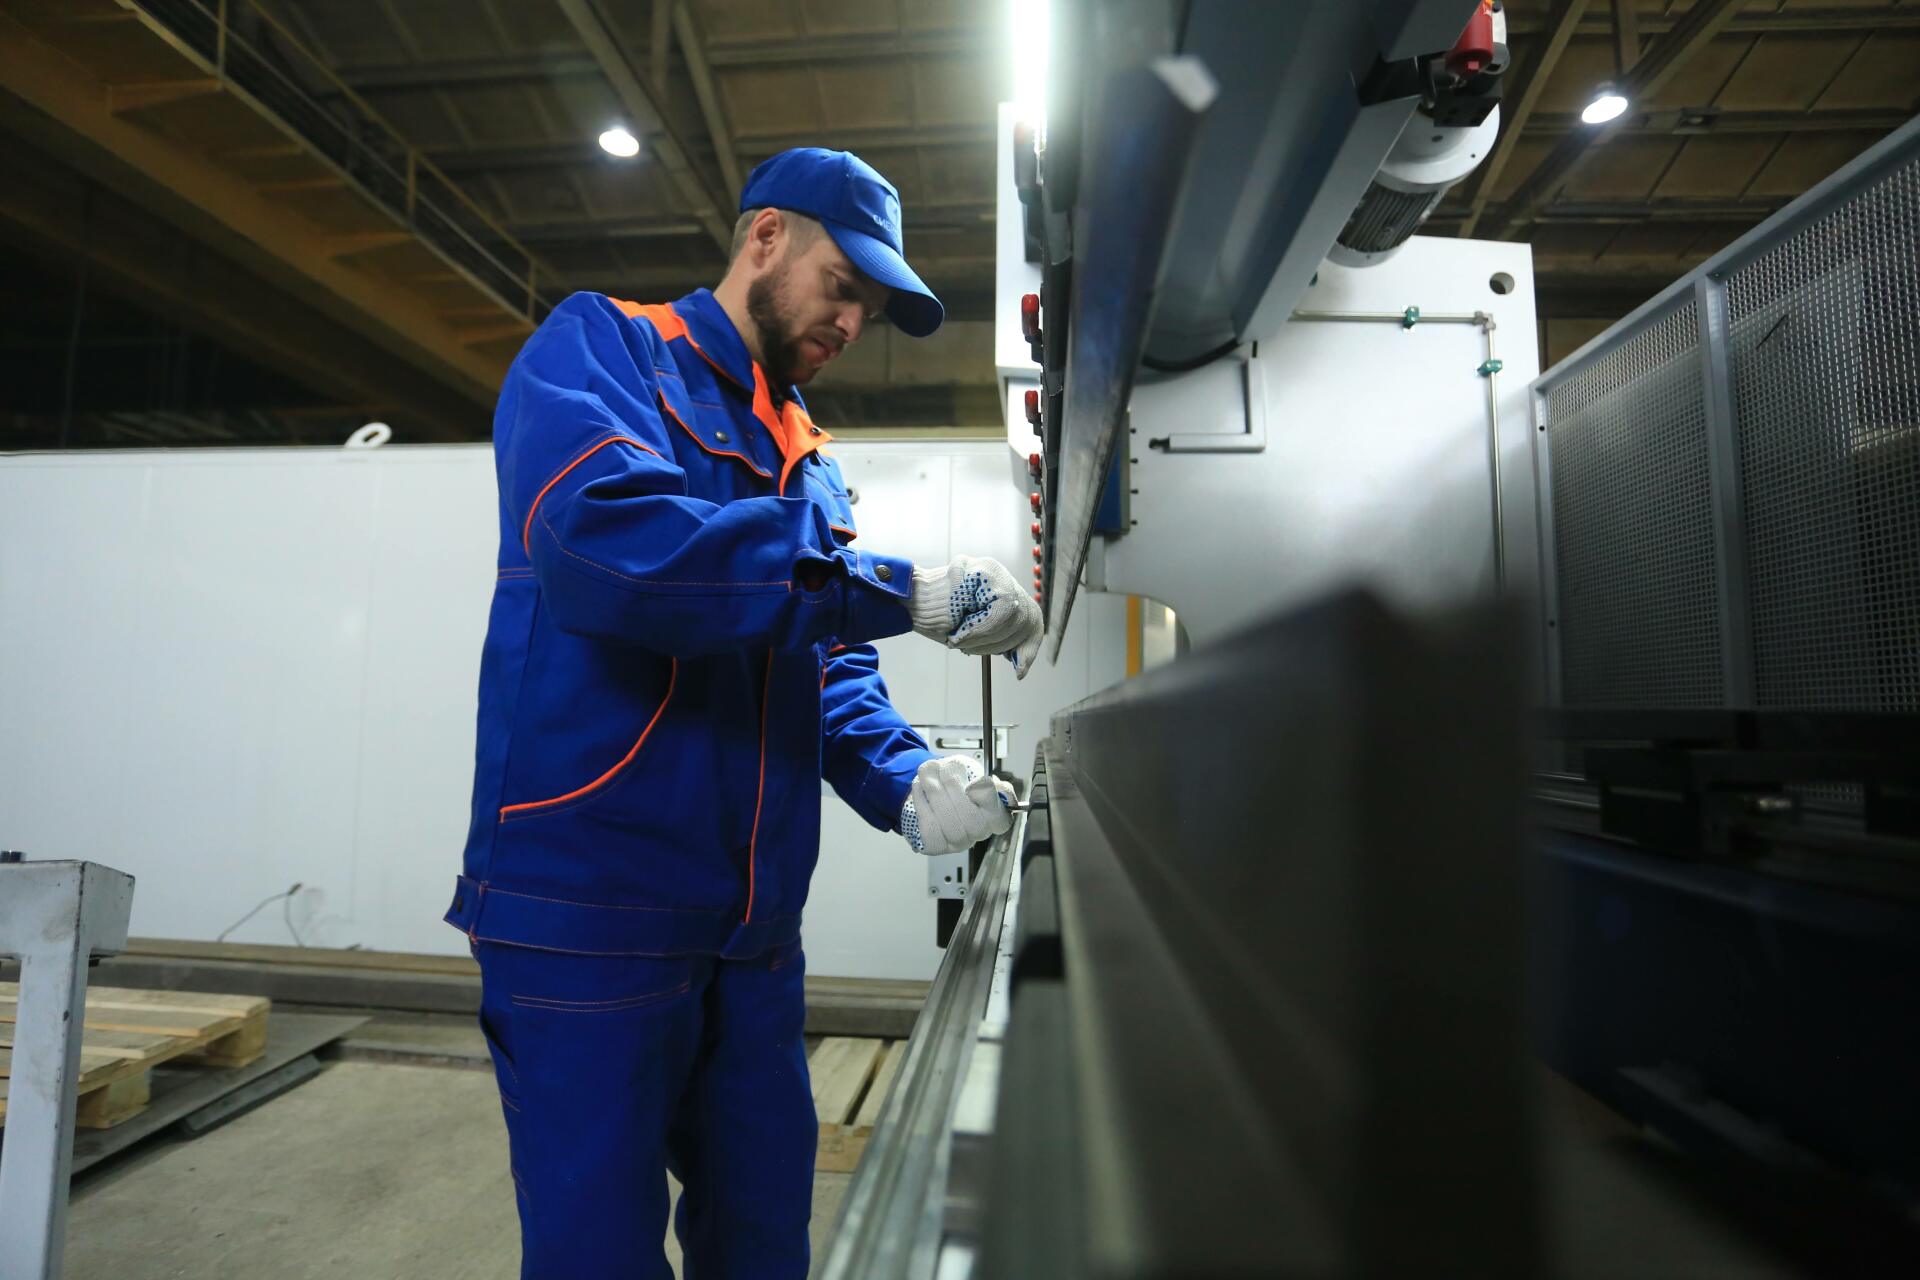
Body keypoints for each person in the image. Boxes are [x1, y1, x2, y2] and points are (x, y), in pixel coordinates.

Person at [443, 146, 1044, 1278]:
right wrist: (900, 589)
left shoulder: (807, 456)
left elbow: (822, 658)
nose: (851, 322)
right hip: (592, 913)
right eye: (842, 285)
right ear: (765, 237)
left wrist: (902, 779)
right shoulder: (606, 349)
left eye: (870, 309)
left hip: (753, 930)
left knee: (765, 1237)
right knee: (598, 1253)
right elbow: (614, 554)